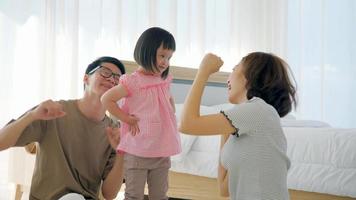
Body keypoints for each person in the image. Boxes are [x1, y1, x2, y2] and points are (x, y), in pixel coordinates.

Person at [0, 56, 126, 200]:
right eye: (105, 72)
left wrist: (121, 152)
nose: (112, 79)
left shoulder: (116, 132)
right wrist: (32, 116)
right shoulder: (52, 111)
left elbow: (109, 194)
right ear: (86, 79)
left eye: (118, 78)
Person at [179, 52, 296, 200]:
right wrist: (224, 128)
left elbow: (186, 124)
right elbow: (223, 189)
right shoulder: (246, 122)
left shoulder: (259, 110)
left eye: (234, 69)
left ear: (250, 75)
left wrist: (203, 71)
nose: (228, 78)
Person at [101, 27, 181, 200]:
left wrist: (171, 109)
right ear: (147, 51)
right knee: (134, 195)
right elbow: (107, 99)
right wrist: (126, 119)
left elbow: (168, 99)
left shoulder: (164, 79)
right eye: (162, 55)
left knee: (159, 195)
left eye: (169, 57)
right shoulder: (133, 82)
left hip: (161, 150)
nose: (165, 62)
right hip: (137, 151)